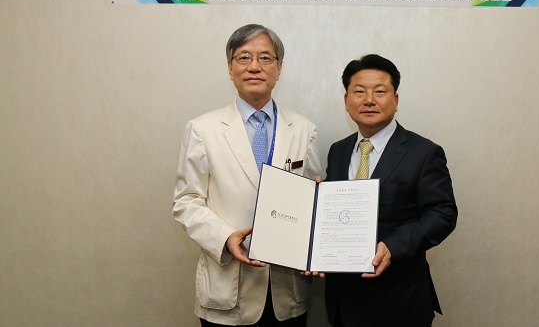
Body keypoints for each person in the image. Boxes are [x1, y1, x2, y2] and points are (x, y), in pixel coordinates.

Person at [173, 24, 322, 326]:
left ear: (279, 69)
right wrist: (225, 237)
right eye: (244, 58)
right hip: (227, 289)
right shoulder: (202, 129)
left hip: (286, 291)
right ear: (230, 68)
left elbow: (314, 202)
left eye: (265, 58)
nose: (254, 66)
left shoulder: (304, 130)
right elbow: (186, 202)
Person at [323, 54, 457, 327]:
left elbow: (442, 213)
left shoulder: (424, 153)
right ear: (346, 100)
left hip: (398, 301)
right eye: (359, 92)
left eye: (380, 91)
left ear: (395, 100)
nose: (369, 100)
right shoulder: (338, 150)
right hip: (343, 301)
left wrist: (394, 246)